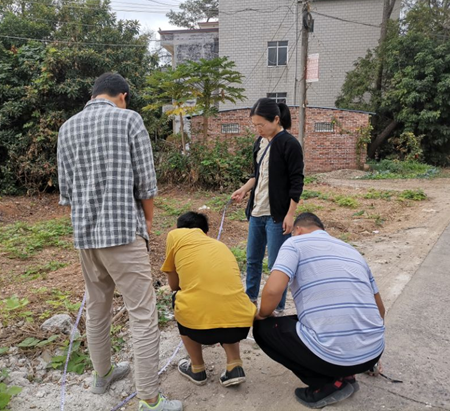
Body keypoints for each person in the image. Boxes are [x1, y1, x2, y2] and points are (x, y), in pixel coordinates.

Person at [57, 72, 182, 411]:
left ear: (93, 94)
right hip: (124, 233)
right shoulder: (129, 120)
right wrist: (148, 222)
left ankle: (103, 375)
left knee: (97, 306)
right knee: (142, 312)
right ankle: (149, 399)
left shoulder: (67, 128)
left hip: (85, 237)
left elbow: (66, 194)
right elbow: (146, 182)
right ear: (122, 95)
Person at [253, 213, 386, 409]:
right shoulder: (352, 250)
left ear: (298, 230)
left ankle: (328, 384)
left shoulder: (294, 244)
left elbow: (273, 291)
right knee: (308, 320)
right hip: (373, 353)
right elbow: (380, 310)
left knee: (263, 328)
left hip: (335, 358)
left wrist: (262, 315)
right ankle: (348, 373)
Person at [161, 212, 257, 387]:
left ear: (179, 228)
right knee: (224, 298)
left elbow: (174, 285)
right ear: (205, 232)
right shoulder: (220, 246)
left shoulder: (175, 236)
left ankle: (197, 368)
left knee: (178, 297)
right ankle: (234, 365)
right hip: (240, 325)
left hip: (198, 330)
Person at [231, 98, 304, 315]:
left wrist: (290, 214)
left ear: (276, 119)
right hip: (257, 212)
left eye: (261, 125)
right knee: (252, 260)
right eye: (255, 125)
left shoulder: (290, 144)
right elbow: (258, 175)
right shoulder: (260, 143)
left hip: (277, 215)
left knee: (276, 265)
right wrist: (244, 189)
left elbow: (296, 182)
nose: (258, 129)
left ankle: (276, 308)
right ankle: (250, 300)